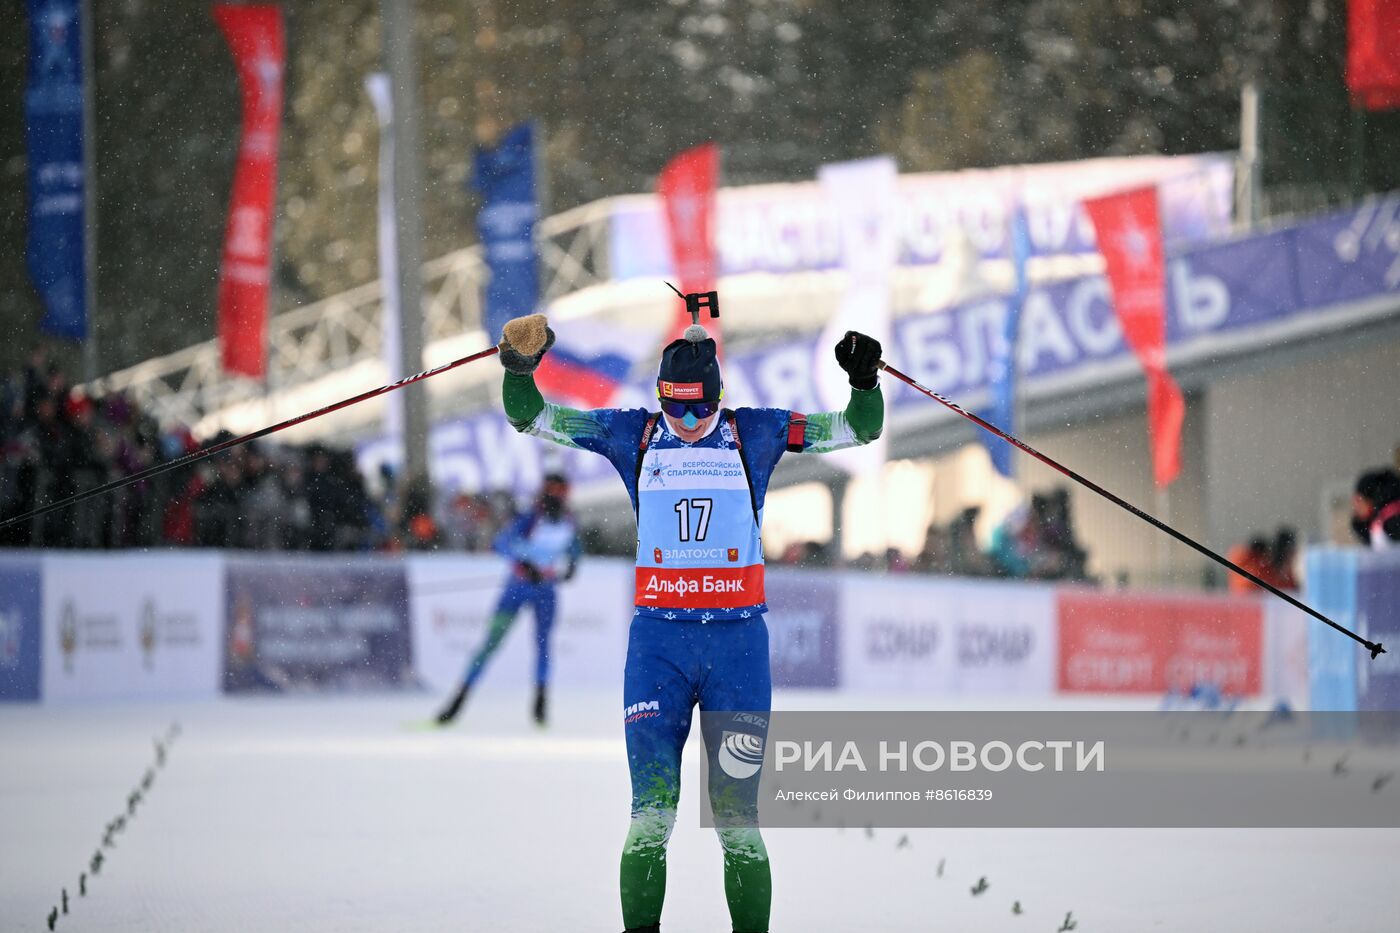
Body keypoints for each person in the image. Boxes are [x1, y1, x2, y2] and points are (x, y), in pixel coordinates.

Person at [488, 310, 883, 933]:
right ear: (660, 398)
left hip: (737, 651)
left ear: (720, 397)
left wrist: (864, 382)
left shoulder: (756, 432)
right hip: (659, 649)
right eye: (676, 409)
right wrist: (519, 365)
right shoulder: (634, 436)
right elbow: (530, 416)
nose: (690, 423)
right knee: (651, 815)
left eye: (701, 409)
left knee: (737, 826)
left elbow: (858, 431)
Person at [435, 472, 582, 727]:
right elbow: (501, 543)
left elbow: (573, 548)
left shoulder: (568, 519)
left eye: (560, 492)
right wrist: (525, 562)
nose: (556, 497)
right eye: (552, 491)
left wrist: (571, 566)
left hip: (545, 589)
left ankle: (540, 706)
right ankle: (457, 702)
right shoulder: (530, 517)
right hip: (518, 587)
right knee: (491, 643)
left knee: (543, 645)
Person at [1352, 468, 1400, 550]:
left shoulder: (1392, 519)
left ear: (1371, 499)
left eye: (1358, 500)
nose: (1355, 507)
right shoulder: (1379, 521)